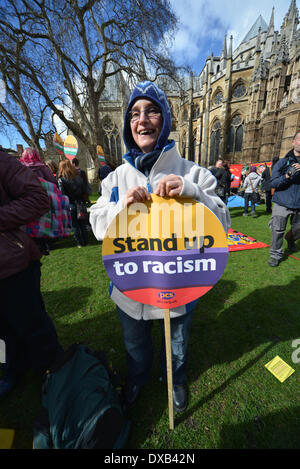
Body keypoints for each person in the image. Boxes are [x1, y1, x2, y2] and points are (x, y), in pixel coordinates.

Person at [90, 81, 230, 412]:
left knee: (177, 343)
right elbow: (97, 225)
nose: (143, 120)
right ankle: (137, 379)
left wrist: (194, 192)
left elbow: (223, 224)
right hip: (131, 285)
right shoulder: (115, 178)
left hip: (179, 283)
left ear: (165, 119)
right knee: (134, 343)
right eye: (135, 113)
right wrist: (119, 206)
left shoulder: (193, 172)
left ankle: (175, 381)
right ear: (128, 125)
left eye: (152, 110)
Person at [0, 150, 63, 399]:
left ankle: (53, 373)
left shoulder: (3, 162)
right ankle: (13, 369)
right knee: (3, 332)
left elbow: (38, 199)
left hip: (13, 265)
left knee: (33, 326)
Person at [268, 131, 300, 267]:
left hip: (299, 203)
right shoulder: (283, 162)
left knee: (298, 230)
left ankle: (290, 239)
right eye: (299, 139)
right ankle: (275, 254)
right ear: (293, 142)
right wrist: (287, 176)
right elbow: (272, 183)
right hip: (282, 202)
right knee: (278, 230)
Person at [20, 148, 58, 255]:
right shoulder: (43, 167)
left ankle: (36, 244)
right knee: (45, 220)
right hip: (44, 198)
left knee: (32, 221)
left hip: (28, 200)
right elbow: (53, 182)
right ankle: (47, 243)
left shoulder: (20, 169)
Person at [57, 160, 89, 248]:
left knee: (75, 225)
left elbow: (62, 194)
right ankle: (86, 241)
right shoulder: (78, 177)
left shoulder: (61, 180)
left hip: (70, 204)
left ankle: (79, 243)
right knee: (82, 223)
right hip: (80, 202)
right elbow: (83, 190)